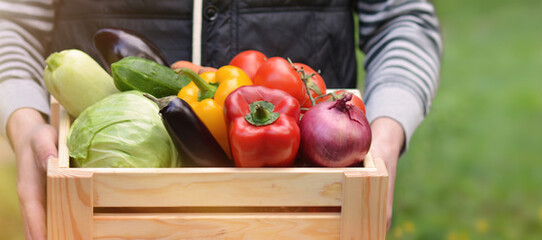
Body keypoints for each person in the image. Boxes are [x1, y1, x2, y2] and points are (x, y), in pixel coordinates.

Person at [1, 0, 441, 238]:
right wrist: (23, 126)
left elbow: (401, 19)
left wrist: (384, 137)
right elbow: (12, 19)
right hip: (109, 204)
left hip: (306, 201)